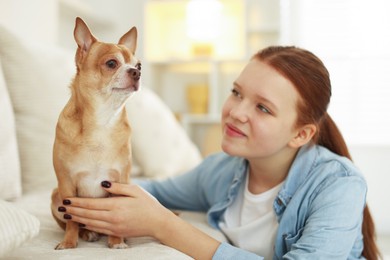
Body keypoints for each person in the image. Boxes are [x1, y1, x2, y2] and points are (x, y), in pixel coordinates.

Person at [60, 46, 381, 259]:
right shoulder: (222, 171)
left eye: (263, 108)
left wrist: (164, 226)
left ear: (301, 134)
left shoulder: (339, 185)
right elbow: (149, 192)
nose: (236, 112)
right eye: (236, 93)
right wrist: (80, 192)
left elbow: (158, 218)